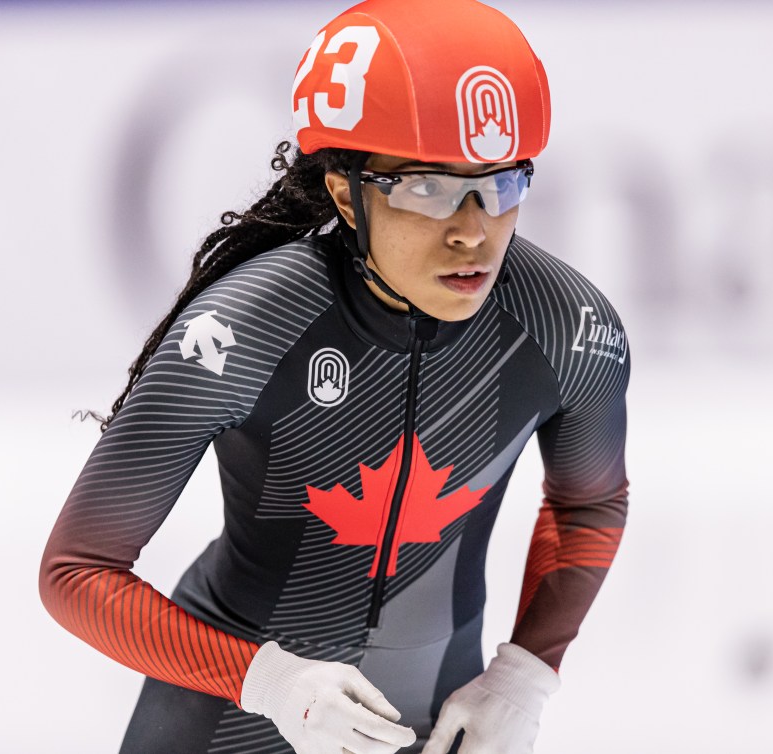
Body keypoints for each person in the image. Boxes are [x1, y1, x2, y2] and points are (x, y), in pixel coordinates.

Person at [40, 0, 630, 752]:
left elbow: (590, 505)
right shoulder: (247, 328)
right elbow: (77, 571)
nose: (473, 230)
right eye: (427, 186)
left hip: (432, 724)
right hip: (227, 719)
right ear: (345, 194)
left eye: (501, 181)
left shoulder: (563, 328)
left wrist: (524, 672)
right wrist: (267, 680)